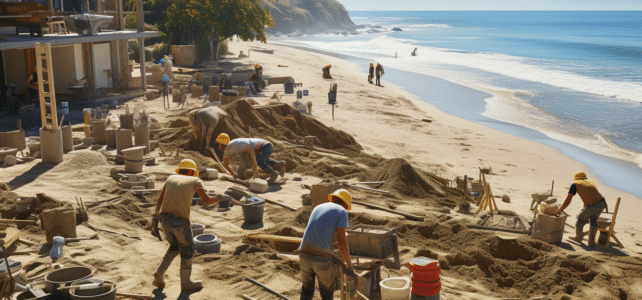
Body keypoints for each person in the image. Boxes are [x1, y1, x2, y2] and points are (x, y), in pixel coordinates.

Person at [151, 159, 231, 292]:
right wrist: (219, 197)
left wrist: (155, 216)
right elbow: (206, 200)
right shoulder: (196, 181)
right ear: (190, 171)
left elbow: (160, 199)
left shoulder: (171, 178)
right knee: (188, 249)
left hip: (164, 220)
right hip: (179, 221)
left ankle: (159, 273)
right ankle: (186, 283)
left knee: (174, 246)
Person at [298, 189, 356, 300]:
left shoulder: (318, 207)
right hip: (321, 259)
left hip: (303, 253)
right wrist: (348, 264)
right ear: (344, 203)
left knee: (306, 290)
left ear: (333, 198)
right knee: (326, 293)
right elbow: (342, 241)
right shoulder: (341, 211)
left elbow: (317, 231)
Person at [555, 171, 608, 246]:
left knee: (580, 218)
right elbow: (591, 195)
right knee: (593, 220)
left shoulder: (575, 184)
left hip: (594, 205)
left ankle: (578, 237)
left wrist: (559, 210)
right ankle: (591, 242)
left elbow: (568, 200)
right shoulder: (590, 182)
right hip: (602, 204)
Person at [216, 133, 285, 182]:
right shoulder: (230, 147)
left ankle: (273, 173)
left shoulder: (241, 145)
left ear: (222, 144)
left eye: (219, 144)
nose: (219, 147)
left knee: (259, 161)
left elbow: (253, 158)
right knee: (264, 159)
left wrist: (256, 171)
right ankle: (280, 164)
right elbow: (225, 163)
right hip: (262, 146)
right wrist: (234, 174)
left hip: (265, 146)